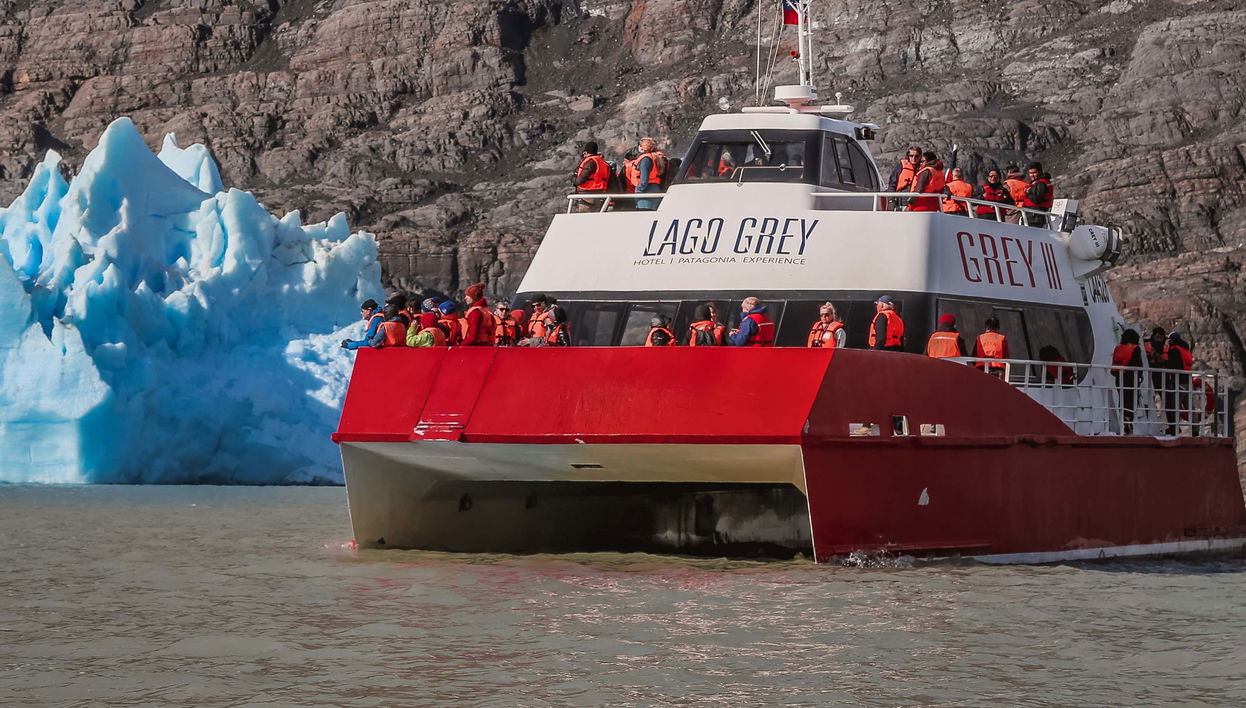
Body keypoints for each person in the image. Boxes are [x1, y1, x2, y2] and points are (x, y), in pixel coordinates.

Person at [1111, 330, 1144, 433]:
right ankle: (1129, 421)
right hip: (1131, 379)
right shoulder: (1135, 348)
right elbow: (1137, 364)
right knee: (1131, 402)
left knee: (1123, 400)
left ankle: (1125, 420)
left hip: (1119, 378)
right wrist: (1140, 376)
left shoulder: (1118, 348)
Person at [1164, 332, 1195, 435]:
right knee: (1190, 407)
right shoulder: (1185, 349)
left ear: (1173, 340)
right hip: (1188, 381)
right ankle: (1195, 429)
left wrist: (1164, 363)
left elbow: (1175, 365)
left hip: (1179, 381)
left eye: (1170, 340)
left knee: (1175, 406)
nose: (1169, 341)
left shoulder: (1175, 350)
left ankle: (1174, 428)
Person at [573, 141, 610, 213]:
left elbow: (579, 181)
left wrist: (573, 177)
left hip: (587, 197)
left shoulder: (590, 162)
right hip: (600, 195)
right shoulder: (603, 163)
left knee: (585, 220)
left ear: (585, 153)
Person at [635, 137, 666, 211]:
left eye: (640, 145)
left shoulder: (645, 160)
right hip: (654, 188)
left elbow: (644, 179)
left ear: (643, 147)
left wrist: (639, 190)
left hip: (647, 191)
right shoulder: (654, 157)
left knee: (644, 214)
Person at [1021, 162, 1053, 227]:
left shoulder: (1040, 183)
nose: (1032, 175)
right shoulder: (1040, 182)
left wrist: (1028, 192)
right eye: (1030, 173)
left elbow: (1036, 199)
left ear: (1040, 172)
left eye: (1034, 173)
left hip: (1034, 217)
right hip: (1034, 216)